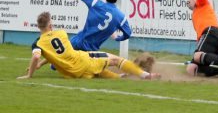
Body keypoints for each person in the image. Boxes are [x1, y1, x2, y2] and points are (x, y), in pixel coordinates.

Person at [17, 11, 160, 80]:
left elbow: (38, 56)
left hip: (72, 74)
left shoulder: (38, 43)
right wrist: (36, 67)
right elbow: (60, 51)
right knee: (115, 60)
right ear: (51, 25)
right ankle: (146, 75)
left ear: (39, 26)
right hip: (83, 61)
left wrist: (34, 70)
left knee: (100, 73)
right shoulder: (61, 33)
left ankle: (124, 77)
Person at [55, 0, 131, 51]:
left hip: (78, 43)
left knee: (59, 59)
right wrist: (117, 38)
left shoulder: (95, 3)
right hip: (92, 51)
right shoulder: (121, 17)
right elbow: (128, 33)